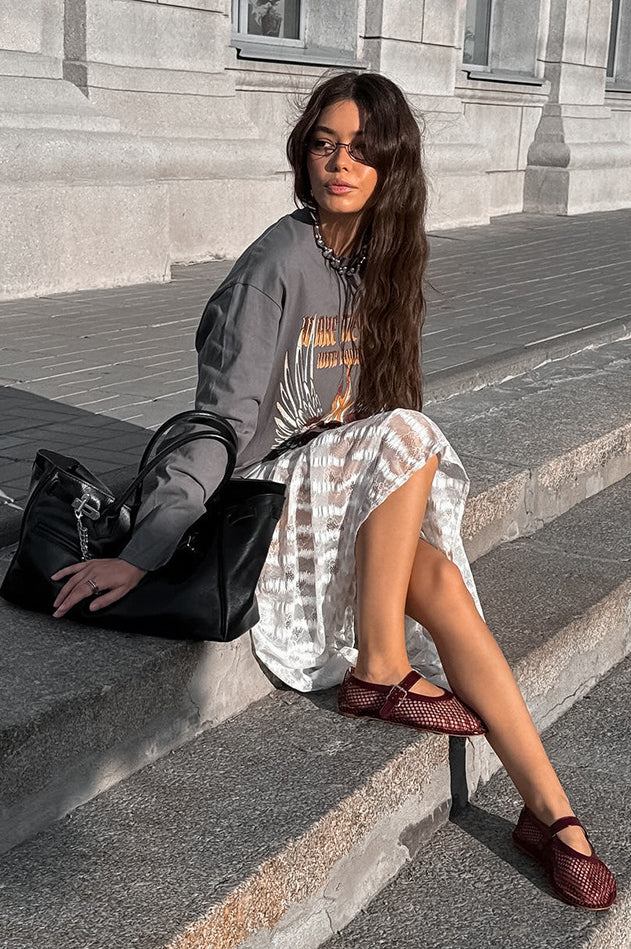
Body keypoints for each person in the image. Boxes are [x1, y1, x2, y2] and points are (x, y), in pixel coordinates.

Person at [50, 72, 615, 910]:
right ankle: (379, 666)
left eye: (359, 149)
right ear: (303, 156)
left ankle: (551, 813)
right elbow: (217, 426)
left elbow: (377, 407)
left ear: (391, 165)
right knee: (409, 434)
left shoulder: (382, 261)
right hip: (261, 505)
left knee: (439, 577)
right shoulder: (275, 266)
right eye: (323, 145)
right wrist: (144, 549)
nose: (339, 164)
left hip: (329, 492)